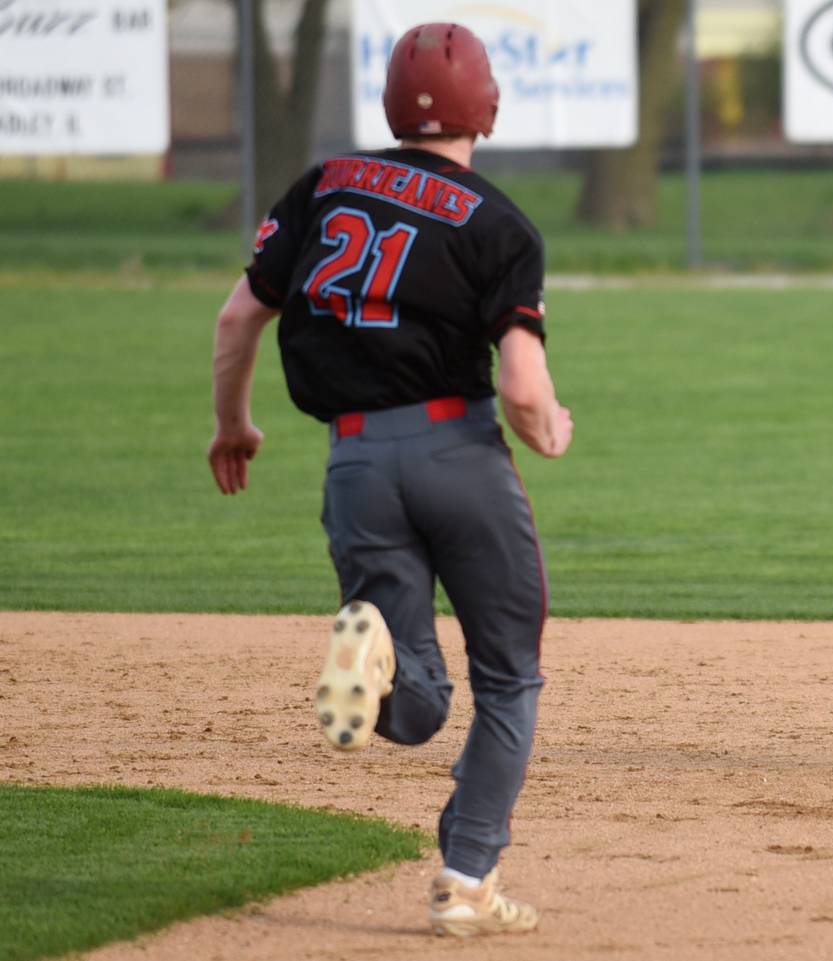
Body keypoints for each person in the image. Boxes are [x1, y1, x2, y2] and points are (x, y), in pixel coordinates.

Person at [206, 23, 571, 935]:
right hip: (458, 453)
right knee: (509, 680)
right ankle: (465, 879)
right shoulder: (498, 221)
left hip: (355, 460)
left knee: (415, 703)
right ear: (486, 104)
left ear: (388, 104)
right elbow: (523, 386)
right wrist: (549, 428)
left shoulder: (324, 185)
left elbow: (237, 318)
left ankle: (374, 658)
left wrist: (234, 425)